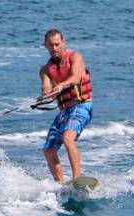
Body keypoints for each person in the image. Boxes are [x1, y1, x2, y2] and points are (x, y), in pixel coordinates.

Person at [39, 28, 93, 184]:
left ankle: (77, 180)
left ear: (63, 42)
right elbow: (47, 89)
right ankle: (60, 184)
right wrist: (46, 93)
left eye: (57, 44)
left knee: (67, 138)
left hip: (82, 106)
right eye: (51, 45)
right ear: (46, 46)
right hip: (64, 112)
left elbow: (75, 78)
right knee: (48, 150)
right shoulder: (45, 70)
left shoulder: (75, 58)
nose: (54, 48)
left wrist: (61, 85)